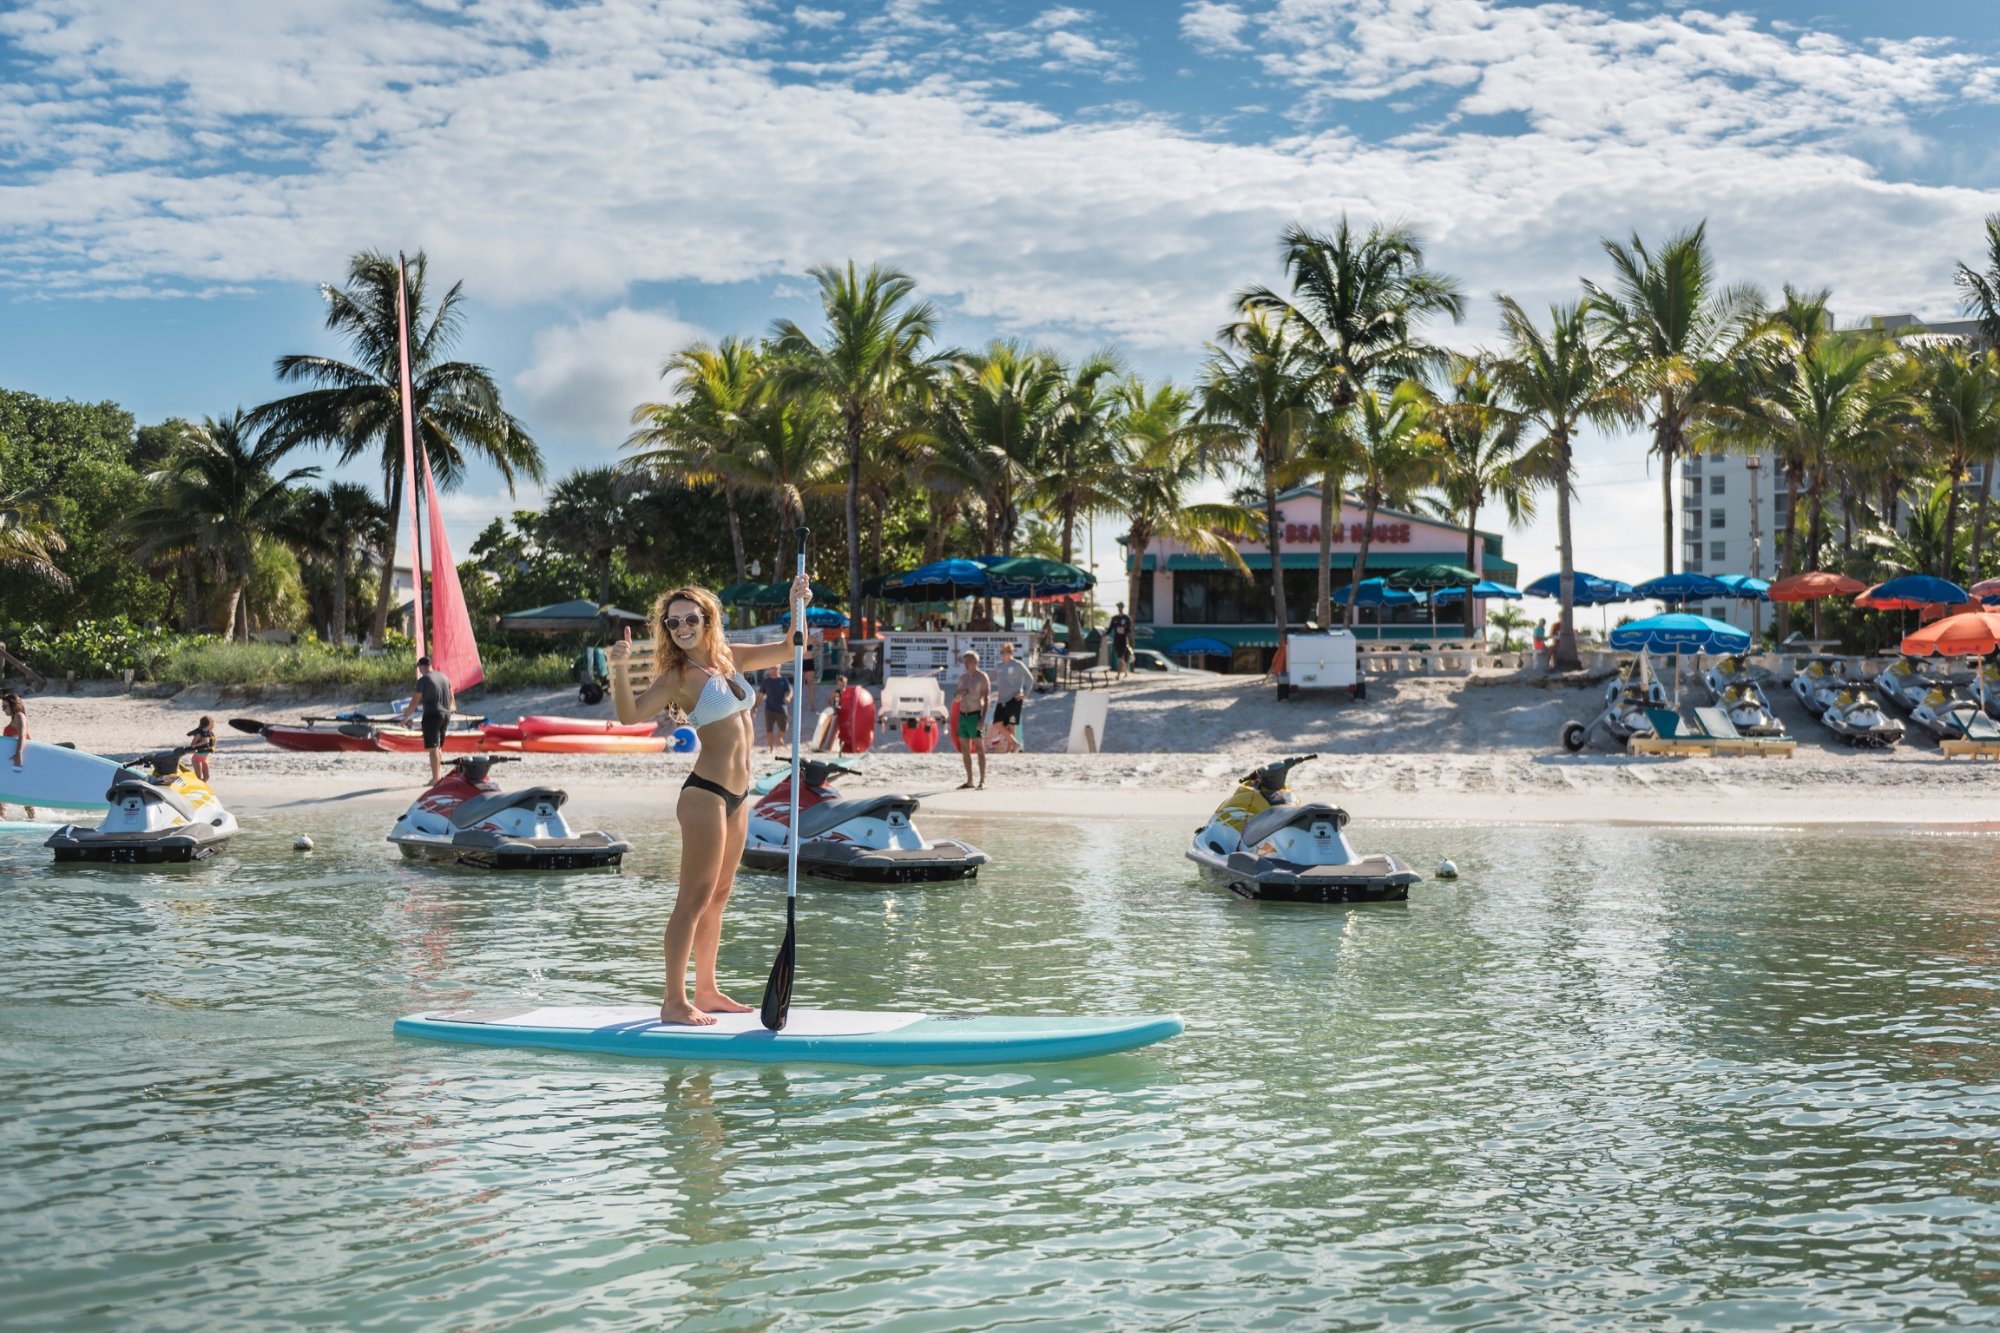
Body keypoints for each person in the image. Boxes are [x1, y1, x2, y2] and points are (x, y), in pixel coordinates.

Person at [608, 576, 815, 1027]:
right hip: (705, 795)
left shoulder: (729, 658)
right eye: (673, 621)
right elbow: (628, 715)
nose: (682, 627)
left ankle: (706, 988)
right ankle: (673, 1000)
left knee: (719, 896)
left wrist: (798, 604)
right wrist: (618, 668)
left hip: (740, 795)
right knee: (694, 898)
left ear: (707, 619)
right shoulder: (678, 677)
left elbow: (790, 646)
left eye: (690, 619)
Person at [397, 656, 456, 785]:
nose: (419, 670)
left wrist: (405, 717)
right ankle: (438, 777)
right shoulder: (445, 678)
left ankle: (435, 779)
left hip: (432, 715)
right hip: (446, 715)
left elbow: (415, 701)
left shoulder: (423, 680)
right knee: (438, 746)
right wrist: (451, 709)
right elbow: (452, 698)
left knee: (433, 747)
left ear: (422, 667)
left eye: (419, 667)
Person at [951, 649, 990, 789]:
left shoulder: (982, 677)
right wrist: (959, 693)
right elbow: (955, 698)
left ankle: (982, 780)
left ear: (976, 662)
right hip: (963, 715)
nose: (966, 664)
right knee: (965, 749)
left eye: (969, 661)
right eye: (965, 661)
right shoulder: (963, 678)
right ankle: (969, 780)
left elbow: (986, 699)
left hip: (975, 715)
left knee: (979, 748)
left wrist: (982, 719)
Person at [987, 641, 1034, 754]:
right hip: (1001, 699)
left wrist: (1025, 694)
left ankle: (1010, 749)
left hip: (1014, 699)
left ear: (1011, 652)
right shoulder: (999, 666)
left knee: (1011, 725)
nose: (1003, 654)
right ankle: (1016, 743)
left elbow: (1030, 678)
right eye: (1001, 652)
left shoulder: (1017, 664)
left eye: (1006, 652)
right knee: (997, 723)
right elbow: (988, 678)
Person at [3, 691, 32, 821]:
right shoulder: (14, 719)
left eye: (5, 707)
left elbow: (23, 735)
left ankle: (32, 818)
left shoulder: (20, 716)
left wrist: (19, 753)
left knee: (23, 791)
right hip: (11, 761)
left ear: (13, 706)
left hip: (20, 759)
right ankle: (2, 817)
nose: (3, 710)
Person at [757, 666, 791, 754]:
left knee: (784, 727)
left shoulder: (783, 680)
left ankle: (779, 737)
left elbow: (790, 691)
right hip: (769, 709)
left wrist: (788, 697)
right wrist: (755, 706)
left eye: (776, 668)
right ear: (768, 670)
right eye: (772, 668)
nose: (774, 670)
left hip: (781, 708)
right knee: (769, 729)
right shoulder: (766, 681)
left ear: (779, 669)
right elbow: (761, 694)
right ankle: (771, 748)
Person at [1108, 602, 1135, 678]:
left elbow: (1129, 630)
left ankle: (1118, 674)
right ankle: (1126, 672)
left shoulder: (1127, 618)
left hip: (1123, 640)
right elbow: (1110, 628)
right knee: (1120, 657)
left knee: (1121, 657)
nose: (1120, 608)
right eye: (1118, 607)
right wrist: (1105, 634)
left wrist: (1124, 630)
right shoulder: (1114, 618)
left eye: (1121, 607)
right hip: (1117, 639)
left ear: (1123, 608)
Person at [186, 715, 216, 783]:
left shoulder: (210, 733)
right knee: (198, 777)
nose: (213, 726)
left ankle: (201, 789)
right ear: (208, 725)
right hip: (197, 759)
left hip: (204, 759)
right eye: (212, 724)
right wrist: (203, 742)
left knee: (206, 777)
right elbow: (192, 745)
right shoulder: (199, 734)